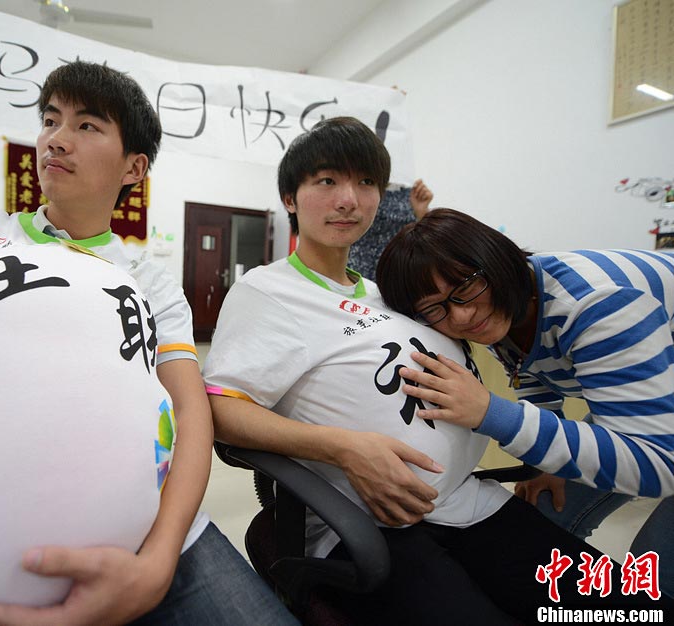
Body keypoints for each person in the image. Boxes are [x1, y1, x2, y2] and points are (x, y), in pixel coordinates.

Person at [0, 60, 294, 626]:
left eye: (87, 126)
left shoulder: (150, 280)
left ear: (134, 166)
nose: (56, 140)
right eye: (51, 120)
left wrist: (160, 559)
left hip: (160, 540)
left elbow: (192, 412)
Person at [203, 117, 666, 623]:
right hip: (374, 521)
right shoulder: (268, 292)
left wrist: (531, 450)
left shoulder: (389, 295)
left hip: (470, 500)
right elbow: (222, 411)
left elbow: (522, 356)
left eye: (366, 183)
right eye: (327, 181)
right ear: (290, 198)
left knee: (627, 609)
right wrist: (345, 447)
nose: (348, 200)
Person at [376, 207, 674, 599]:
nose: (462, 316)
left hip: (660, 437)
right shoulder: (508, 301)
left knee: (651, 570)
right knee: (549, 511)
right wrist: (543, 462)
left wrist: (493, 414)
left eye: (465, 290)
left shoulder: (601, 306)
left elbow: (659, 464)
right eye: (434, 310)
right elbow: (530, 365)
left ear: (496, 260)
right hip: (652, 389)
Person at [347, 178, 432, 279]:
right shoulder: (353, 190)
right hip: (354, 269)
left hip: (398, 272)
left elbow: (423, 242)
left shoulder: (411, 194)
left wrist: (422, 214)